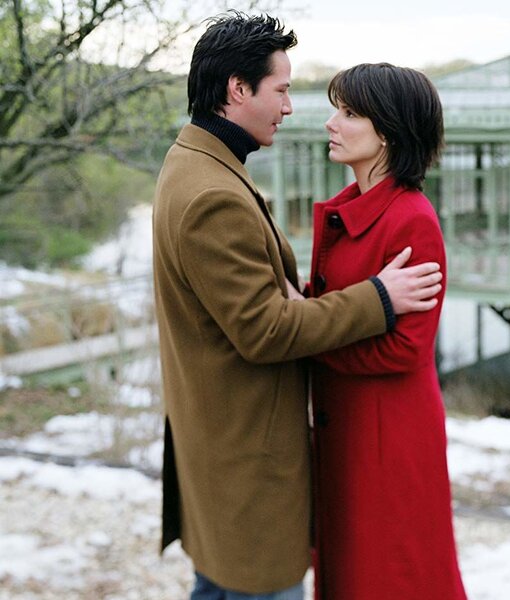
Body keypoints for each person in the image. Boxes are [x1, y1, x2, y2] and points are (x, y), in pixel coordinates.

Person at [152, 14, 442, 599]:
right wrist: (377, 298)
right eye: (281, 90)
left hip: (238, 449)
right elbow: (265, 330)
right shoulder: (213, 193)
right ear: (239, 90)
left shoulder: (197, 165)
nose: (291, 108)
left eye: (347, 111)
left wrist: (304, 308)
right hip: (246, 461)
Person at [308, 63, 467, 599]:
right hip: (352, 425)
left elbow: (407, 347)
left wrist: (307, 336)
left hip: (388, 435)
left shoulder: (410, 218)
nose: (332, 122)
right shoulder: (357, 207)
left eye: (349, 113)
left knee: (390, 573)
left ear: (389, 131)